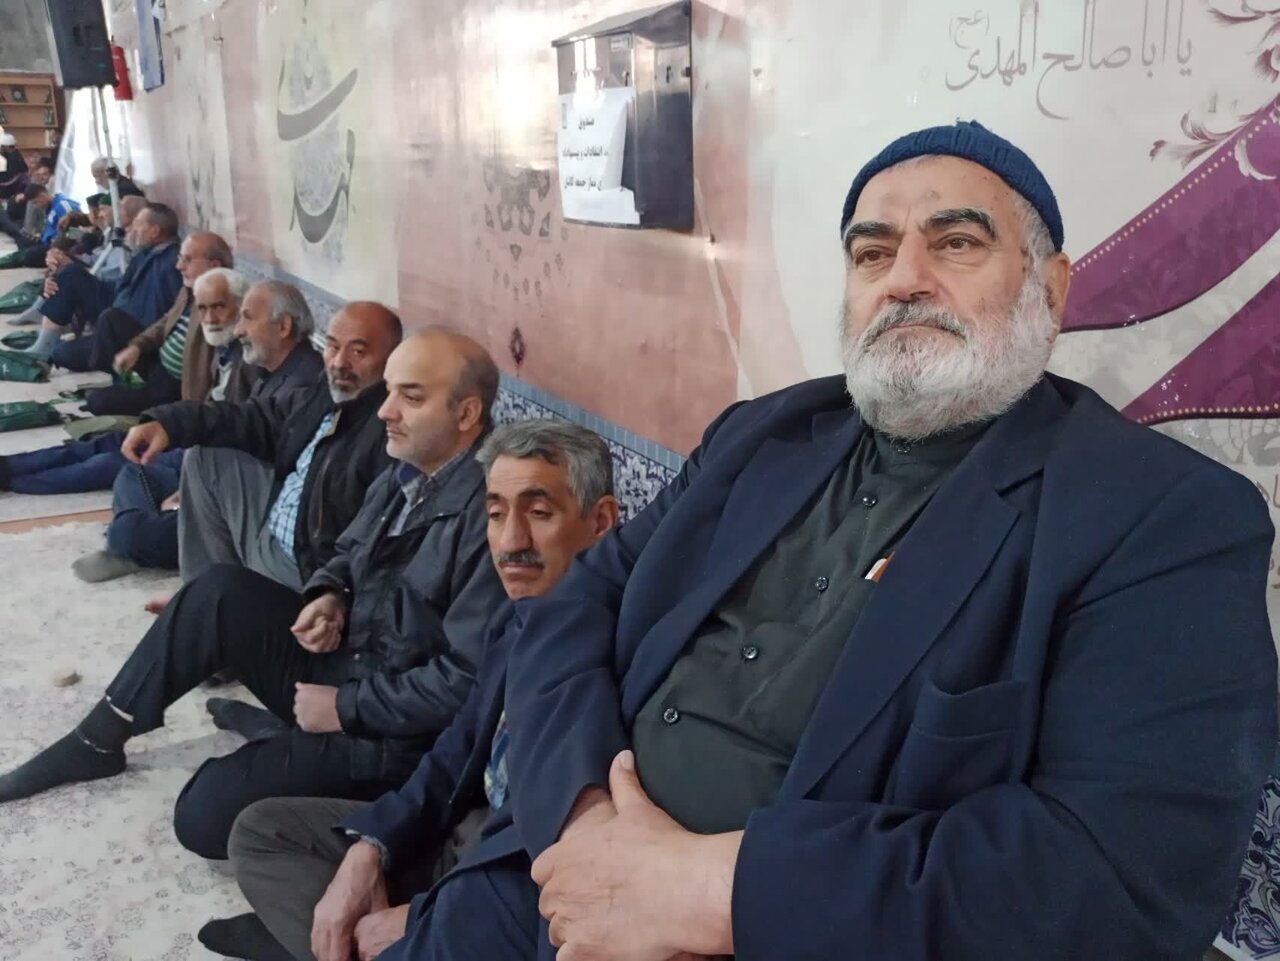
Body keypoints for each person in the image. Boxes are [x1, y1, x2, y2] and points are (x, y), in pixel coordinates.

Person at [354, 120, 1275, 961]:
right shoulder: (763, 435)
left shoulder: (1159, 517)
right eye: (872, 252)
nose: (904, 278)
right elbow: (573, 607)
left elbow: (1113, 880)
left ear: (1051, 285)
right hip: (551, 882)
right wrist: (589, 824)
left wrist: (706, 890)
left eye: (956, 242)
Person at [0, 332, 508, 873]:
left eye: (411, 396)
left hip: (396, 741)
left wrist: (344, 708)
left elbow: (467, 683)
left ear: (466, 413)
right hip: (352, 667)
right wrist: (328, 595)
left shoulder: (495, 517)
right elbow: (345, 554)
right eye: (389, 391)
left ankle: (338, 791)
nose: (384, 411)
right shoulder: (408, 471)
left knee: (201, 813)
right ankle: (98, 738)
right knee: (219, 591)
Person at [204, 421, 620, 961]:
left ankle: (325, 940)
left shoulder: (609, 649)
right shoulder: (518, 615)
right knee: (262, 833)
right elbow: (454, 752)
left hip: (505, 888)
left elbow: (553, 858)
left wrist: (423, 915)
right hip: (458, 837)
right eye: (496, 514)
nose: (511, 542)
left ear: (601, 521)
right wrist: (371, 849)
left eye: (539, 513)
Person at [121, 298, 402, 595]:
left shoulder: (388, 431)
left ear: (393, 360)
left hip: (304, 569)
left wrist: (329, 595)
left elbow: (367, 545)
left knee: (131, 532)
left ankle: (213, 598)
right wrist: (169, 423)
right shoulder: (327, 390)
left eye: (358, 352)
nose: (339, 362)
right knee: (201, 457)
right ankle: (203, 590)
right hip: (274, 526)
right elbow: (258, 417)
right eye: (332, 346)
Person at [71, 271, 325, 581]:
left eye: (246, 317)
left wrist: (197, 490)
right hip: (225, 491)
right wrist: (189, 485)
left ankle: (137, 545)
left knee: (128, 530)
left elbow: (249, 432)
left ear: (283, 327)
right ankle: (146, 540)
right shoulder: (267, 369)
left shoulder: (305, 383)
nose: (239, 329)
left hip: (253, 513)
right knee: (134, 471)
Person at [80, 230, 236, 415]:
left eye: (187, 260)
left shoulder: (224, 304)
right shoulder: (190, 289)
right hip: (158, 363)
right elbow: (165, 322)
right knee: (110, 318)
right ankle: (119, 378)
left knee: (97, 401)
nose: (179, 266)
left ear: (214, 265)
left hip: (173, 388)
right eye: (180, 258)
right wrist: (137, 347)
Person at [25, 201, 183, 368]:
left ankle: (53, 346)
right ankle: (44, 346)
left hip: (128, 331)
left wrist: (135, 344)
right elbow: (121, 286)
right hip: (115, 308)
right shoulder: (146, 253)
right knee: (71, 273)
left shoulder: (170, 265)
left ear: (155, 231)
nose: (133, 229)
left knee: (62, 353)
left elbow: (163, 318)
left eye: (138, 224)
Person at [0, 133, 28, 197]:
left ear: (6, 147)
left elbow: (8, 177)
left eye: (1, 146)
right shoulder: (15, 155)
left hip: (9, 190)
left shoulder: (13, 160)